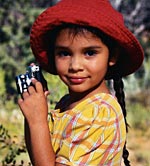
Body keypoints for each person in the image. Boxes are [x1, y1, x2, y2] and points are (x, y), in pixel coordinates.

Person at [18, 0, 144, 165]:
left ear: (112, 56)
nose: (75, 66)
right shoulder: (67, 103)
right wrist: (33, 117)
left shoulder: (100, 113)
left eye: (90, 53)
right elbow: (39, 155)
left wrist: (37, 121)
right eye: (64, 53)